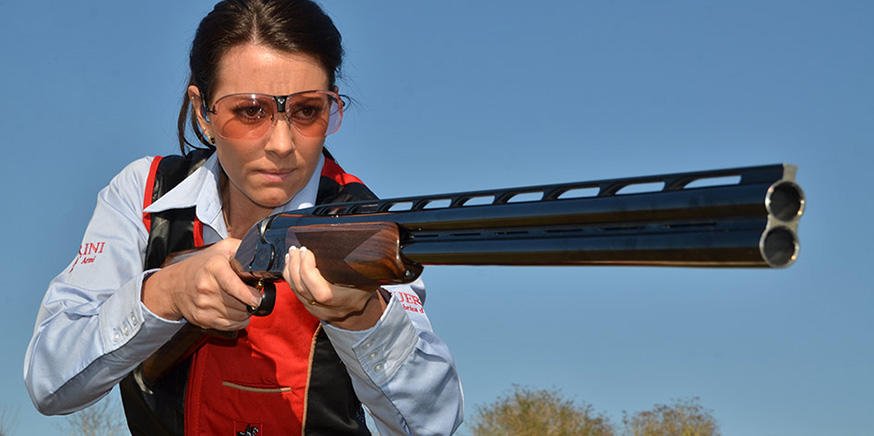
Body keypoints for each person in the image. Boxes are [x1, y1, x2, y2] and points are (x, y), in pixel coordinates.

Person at [23, 1, 464, 434]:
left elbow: (434, 423)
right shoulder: (144, 193)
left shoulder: (365, 222)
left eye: (308, 110)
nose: (282, 144)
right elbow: (49, 383)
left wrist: (363, 317)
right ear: (203, 111)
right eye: (251, 111)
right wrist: (164, 295)